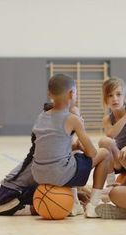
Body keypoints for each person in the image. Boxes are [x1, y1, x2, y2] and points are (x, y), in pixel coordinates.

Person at [31, 74, 111, 218]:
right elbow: (92, 153)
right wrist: (82, 137)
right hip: (60, 175)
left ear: (49, 94)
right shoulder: (72, 119)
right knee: (104, 153)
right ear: (72, 93)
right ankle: (93, 206)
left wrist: (76, 147)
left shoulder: (41, 116)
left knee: (71, 157)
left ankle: (75, 204)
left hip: (38, 174)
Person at [0, 102, 91, 216]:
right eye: (75, 117)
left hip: (17, 187)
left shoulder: (58, 145)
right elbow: (91, 154)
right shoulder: (51, 151)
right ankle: (25, 208)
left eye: (80, 116)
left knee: (71, 186)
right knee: (53, 199)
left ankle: (78, 199)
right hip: (10, 192)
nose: (80, 120)